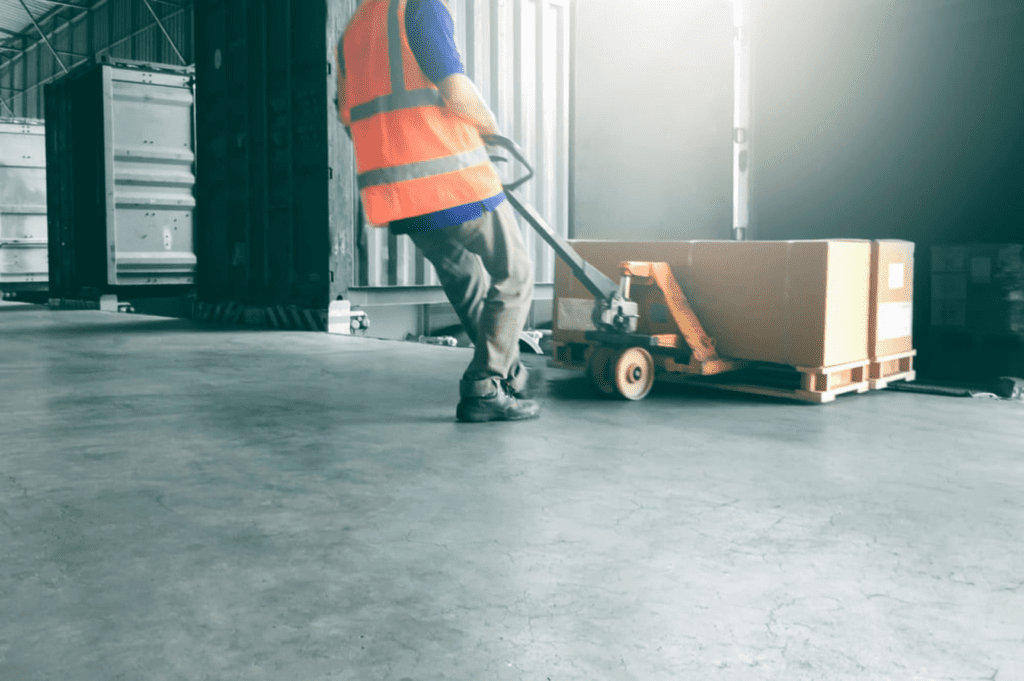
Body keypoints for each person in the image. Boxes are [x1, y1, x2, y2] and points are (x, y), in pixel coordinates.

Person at [337, 0, 540, 422]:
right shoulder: (419, 6)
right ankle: (486, 383)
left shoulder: (355, 29)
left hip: (399, 193)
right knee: (516, 270)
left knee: (465, 276)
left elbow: (346, 113)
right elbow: (455, 89)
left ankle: (510, 371)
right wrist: (493, 133)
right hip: (451, 177)